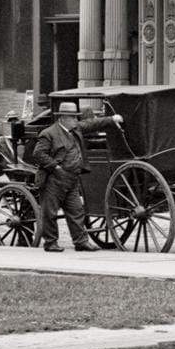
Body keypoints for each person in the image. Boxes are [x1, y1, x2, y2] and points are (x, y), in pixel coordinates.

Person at [34, 102, 123, 252]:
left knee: (76, 211)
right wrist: (55, 167)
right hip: (53, 179)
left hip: (72, 178)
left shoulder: (75, 129)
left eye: (76, 117)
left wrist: (112, 119)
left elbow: (92, 124)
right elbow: (38, 154)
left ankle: (81, 242)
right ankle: (50, 243)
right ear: (62, 118)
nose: (76, 120)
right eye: (72, 118)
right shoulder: (49, 134)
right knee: (50, 212)